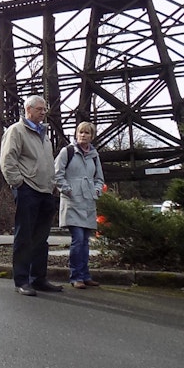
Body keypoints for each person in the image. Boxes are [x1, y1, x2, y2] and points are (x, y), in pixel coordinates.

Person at [0, 94, 63, 296]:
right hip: (28, 189)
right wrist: (18, 184)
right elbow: (8, 159)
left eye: (45, 109)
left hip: (45, 191)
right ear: (28, 110)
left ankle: (38, 279)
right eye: (40, 109)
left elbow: (47, 163)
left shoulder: (43, 134)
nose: (44, 112)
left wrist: (52, 184)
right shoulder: (16, 131)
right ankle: (21, 281)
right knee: (24, 236)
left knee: (41, 239)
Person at [54, 122, 105, 289]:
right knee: (78, 239)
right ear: (76, 134)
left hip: (88, 202)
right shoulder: (67, 152)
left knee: (85, 242)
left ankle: (85, 275)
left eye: (87, 133)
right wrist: (68, 190)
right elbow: (57, 175)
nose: (83, 135)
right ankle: (76, 276)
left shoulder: (94, 156)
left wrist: (97, 191)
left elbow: (99, 178)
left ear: (92, 136)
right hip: (73, 202)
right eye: (80, 132)